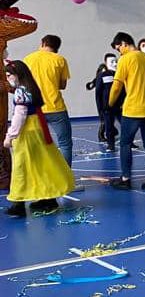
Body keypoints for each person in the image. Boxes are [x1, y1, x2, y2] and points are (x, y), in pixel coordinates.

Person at [3, 60, 75, 217]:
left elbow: (19, 117)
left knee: (21, 168)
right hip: (38, 131)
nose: (7, 78)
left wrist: (10, 136)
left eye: (9, 75)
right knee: (41, 165)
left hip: (26, 133)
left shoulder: (20, 92)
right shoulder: (31, 88)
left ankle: (18, 204)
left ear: (17, 75)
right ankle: (47, 199)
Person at [108, 32, 145, 191]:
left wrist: (109, 104)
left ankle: (125, 178)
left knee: (125, 144)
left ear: (124, 43)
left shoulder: (125, 59)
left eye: (119, 48)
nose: (119, 52)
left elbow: (117, 85)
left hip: (133, 109)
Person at [23, 35, 73, 167]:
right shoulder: (60, 60)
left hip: (34, 109)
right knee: (65, 143)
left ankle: (39, 177)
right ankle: (65, 177)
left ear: (43, 43)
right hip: (56, 107)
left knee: (35, 145)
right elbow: (62, 85)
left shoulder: (28, 59)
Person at [95, 53, 123, 152]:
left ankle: (129, 143)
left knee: (125, 125)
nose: (115, 64)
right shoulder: (102, 75)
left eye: (116, 61)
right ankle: (111, 145)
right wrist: (100, 109)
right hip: (107, 107)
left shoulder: (120, 74)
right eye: (112, 62)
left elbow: (124, 91)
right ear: (106, 63)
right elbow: (98, 93)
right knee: (109, 127)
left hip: (120, 106)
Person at [86, 60, 108, 142]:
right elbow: (89, 86)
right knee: (104, 120)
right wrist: (90, 84)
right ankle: (101, 135)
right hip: (101, 102)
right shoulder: (98, 79)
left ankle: (111, 131)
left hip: (107, 101)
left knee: (108, 119)